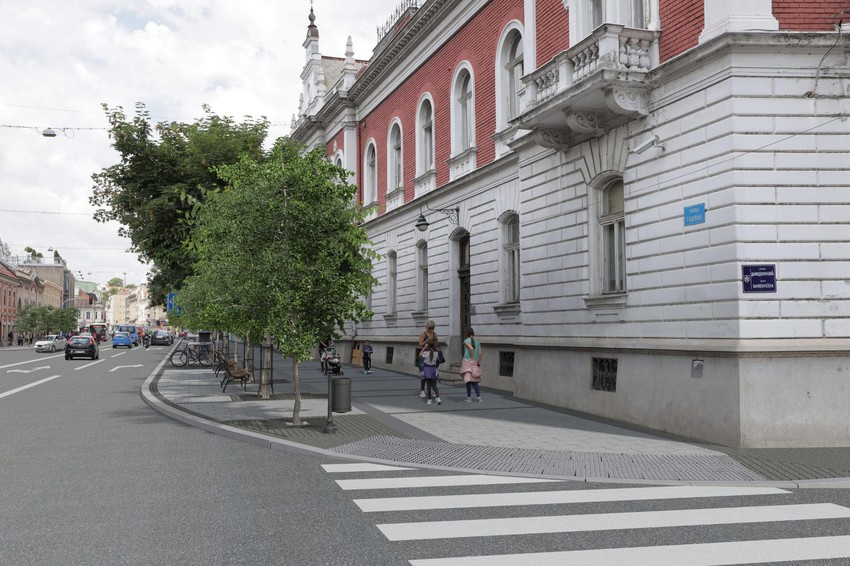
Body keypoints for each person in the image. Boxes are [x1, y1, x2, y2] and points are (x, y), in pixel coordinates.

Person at [460, 327, 483, 402]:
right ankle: (479, 397)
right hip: (475, 362)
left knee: (468, 381)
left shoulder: (465, 341)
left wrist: (471, 358)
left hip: (467, 362)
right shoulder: (478, 342)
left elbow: (471, 348)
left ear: (466, 334)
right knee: (474, 380)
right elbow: (480, 353)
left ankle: (469, 398)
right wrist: (478, 362)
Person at [417, 320, 438, 397]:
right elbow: (420, 344)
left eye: (433, 328)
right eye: (430, 328)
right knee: (424, 374)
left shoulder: (434, 334)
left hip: (433, 354)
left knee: (433, 373)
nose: (431, 329)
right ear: (427, 327)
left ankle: (433, 390)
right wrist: (428, 340)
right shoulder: (423, 334)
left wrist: (435, 341)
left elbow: (436, 344)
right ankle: (422, 390)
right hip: (424, 355)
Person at [420, 336, 441, 405]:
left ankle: (429, 400)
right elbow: (437, 360)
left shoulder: (426, 353)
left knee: (428, 385)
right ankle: (438, 398)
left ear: (428, 346)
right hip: (433, 369)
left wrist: (424, 348)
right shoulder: (436, 353)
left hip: (427, 370)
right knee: (434, 385)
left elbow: (420, 355)